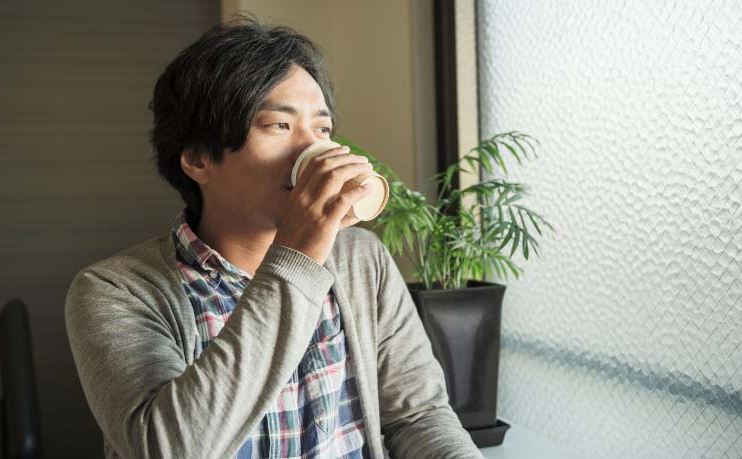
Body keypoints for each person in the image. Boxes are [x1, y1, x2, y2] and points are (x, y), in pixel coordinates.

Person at [65, 16, 483, 459]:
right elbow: (169, 449)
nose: (312, 149)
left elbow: (417, 416)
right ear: (197, 159)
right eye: (278, 126)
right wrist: (297, 257)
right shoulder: (113, 291)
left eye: (322, 129)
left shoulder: (363, 260)